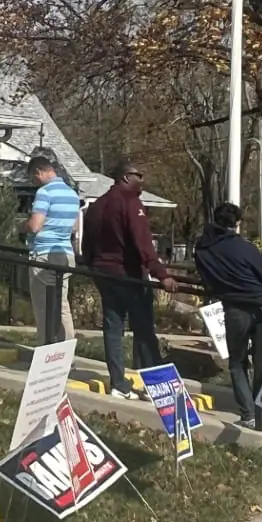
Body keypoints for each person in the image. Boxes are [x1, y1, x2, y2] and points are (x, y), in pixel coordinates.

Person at [80, 160, 177, 399]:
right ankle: (156, 387)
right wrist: (161, 274)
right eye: (138, 175)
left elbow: (87, 243)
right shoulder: (131, 203)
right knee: (143, 329)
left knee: (113, 327)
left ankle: (118, 383)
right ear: (125, 177)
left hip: (103, 273)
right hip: (129, 275)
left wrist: (93, 266)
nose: (142, 180)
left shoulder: (97, 205)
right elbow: (143, 243)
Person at [194, 202, 262, 431]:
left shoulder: (203, 249)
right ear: (237, 223)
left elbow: (208, 280)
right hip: (261, 306)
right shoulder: (245, 247)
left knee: (237, 363)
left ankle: (248, 414)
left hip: (234, 308)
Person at [22, 153, 82, 346]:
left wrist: (21, 226)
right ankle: (66, 350)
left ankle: (45, 349)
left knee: (43, 306)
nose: (34, 182)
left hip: (44, 254)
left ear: (39, 171)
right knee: (62, 304)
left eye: (33, 177)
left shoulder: (45, 193)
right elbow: (74, 227)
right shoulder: (72, 194)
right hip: (65, 253)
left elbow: (34, 225)